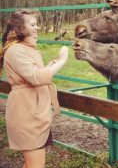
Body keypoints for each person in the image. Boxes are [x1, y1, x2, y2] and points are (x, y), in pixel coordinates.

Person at [0, 9, 69, 168]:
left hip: (33, 113)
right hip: (27, 114)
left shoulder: (23, 49)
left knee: (34, 164)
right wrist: (62, 61)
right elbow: (36, 78)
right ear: (20, 29)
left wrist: (53, 64)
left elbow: (33, 75)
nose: (37, 28)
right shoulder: (16, 50)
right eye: (32, 24)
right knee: (35, 165)